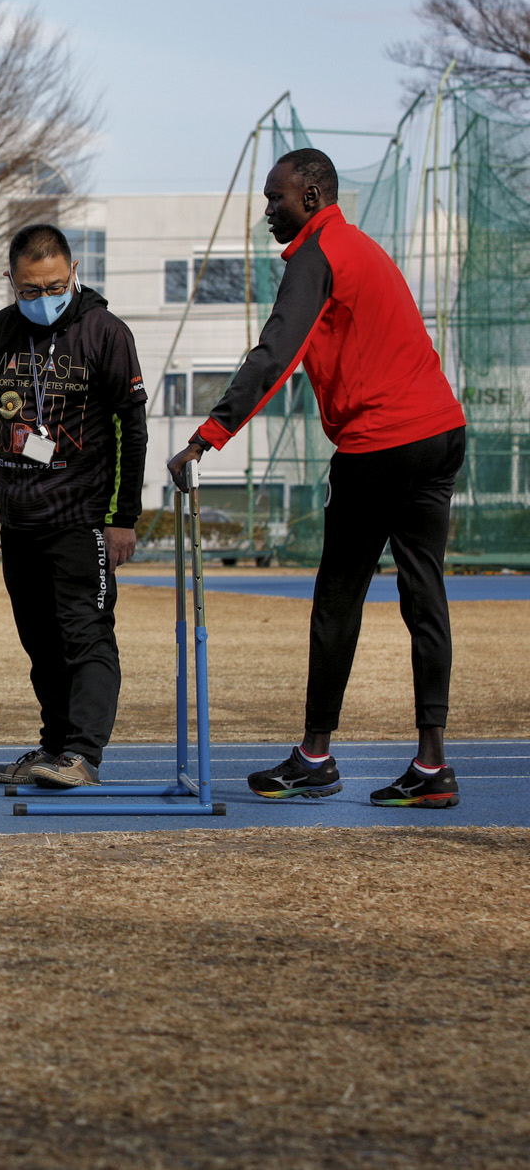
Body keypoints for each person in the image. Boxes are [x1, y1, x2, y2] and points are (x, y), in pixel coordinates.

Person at [168, 148, 467, 808]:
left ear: (311, 194)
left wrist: (207, 436)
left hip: (383, 442)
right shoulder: (363, 248)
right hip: (441, 430)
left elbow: (277, 349)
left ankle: (315, 756)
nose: (269, 209)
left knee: (337, 599)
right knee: (426, 597)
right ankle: (433, 764)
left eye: (276, 197)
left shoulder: (317, 253)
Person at [0, 223, 148, 790]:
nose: (42, 299)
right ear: (11, 282)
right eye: (28, 289)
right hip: (21, 518)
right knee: (40, 640)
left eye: (52, 286)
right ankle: (52, 748)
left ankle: (83, 754)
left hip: (83, 517)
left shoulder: (106, 333)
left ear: (73, 274)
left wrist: (123, 518)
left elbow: (132, 430)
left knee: (86, 633)